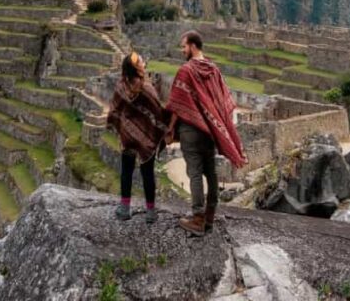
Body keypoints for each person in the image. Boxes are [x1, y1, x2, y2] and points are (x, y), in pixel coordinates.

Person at [167, 30, 247, 236]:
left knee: (194, 172)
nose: (182, 50)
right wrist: (216, 124)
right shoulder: (214, 70)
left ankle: (197, 217)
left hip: (190, 131)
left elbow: (176, 104)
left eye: (184, 46)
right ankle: (209, 217)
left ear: (193, 46)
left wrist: (169, 130)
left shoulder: (186, 71)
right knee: (210, 173)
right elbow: (224, 102)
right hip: (209, 131)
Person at [106, 52, 170, 224]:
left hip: (127, 136)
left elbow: (114, 109)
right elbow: (158, 112)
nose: (143, 62)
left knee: (126, 171)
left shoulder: (121, 85)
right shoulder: (147, 88)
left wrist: (121, 126)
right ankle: (150, 212)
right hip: (146, 138)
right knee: (147, 173)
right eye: (141, 60)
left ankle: (125, 208)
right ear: (137, 67)